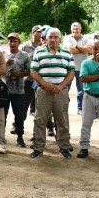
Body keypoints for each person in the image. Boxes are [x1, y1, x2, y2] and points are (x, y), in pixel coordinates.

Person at [30, 28, 75, 158]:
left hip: (61, 92)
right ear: (46, 38)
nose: (53, 39)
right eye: (50, 37)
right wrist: (45, 84)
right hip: (44, 92)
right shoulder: (39, 51)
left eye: (56, 37)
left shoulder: (67, 52)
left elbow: (71, 72)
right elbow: (33, 71)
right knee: (40, 120)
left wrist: (61, 86)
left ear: (60, 39)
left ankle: (64, 148)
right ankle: (38, 148)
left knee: (62, 121)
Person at [3, 33, 31, 148]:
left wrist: (19, 74)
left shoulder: (25, 55)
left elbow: (29, 72)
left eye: (15, 41)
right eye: (10, 41)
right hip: (4, 90)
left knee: (19, 115)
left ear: (19, 43)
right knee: (2, 114)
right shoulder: (3, 54)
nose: (12, 43)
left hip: (19, 90)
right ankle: (0, 137)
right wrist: (5, 63)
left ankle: (20, 136)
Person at [64, 22, 92, 114]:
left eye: (77, 29)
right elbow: (69, 49)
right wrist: (81, 49)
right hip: (69, 67)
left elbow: (89, 50)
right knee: (65, 88)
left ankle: (80, 108)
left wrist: (76, 47)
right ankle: (63, 107)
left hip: (82, 67)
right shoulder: (67, 38)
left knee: (81, 90)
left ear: (80, 29)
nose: (75, 31)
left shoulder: (86, 38)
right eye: (73, 29)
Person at [20, 25, 44, 118]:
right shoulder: (25, 46)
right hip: (28, 79)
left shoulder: (45, 46)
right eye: (38, 31)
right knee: (24, 103)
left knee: (43, 105)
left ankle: (50, 128)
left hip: (42, 80)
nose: (40, 33)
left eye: (41, 32)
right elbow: (19, 60)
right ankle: (18, 125)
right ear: (33, 33)